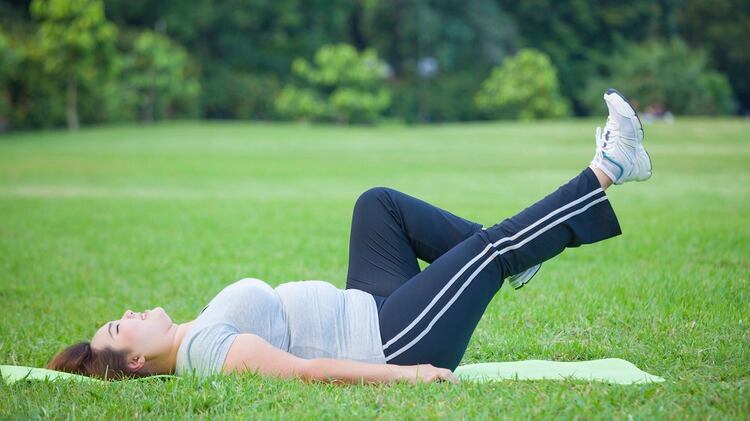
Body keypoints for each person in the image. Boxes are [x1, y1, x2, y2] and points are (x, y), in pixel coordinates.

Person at [47, 89, 652, 384]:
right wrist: (408, 377)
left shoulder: (194, 331)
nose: (128, 312)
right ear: (134, 357)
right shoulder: (205, 353)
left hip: (373, 307)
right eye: (120, 324)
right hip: (392, 341)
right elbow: (303, 373)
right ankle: (614, 167)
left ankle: (521, 260)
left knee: (377, 206)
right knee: (488, 248)